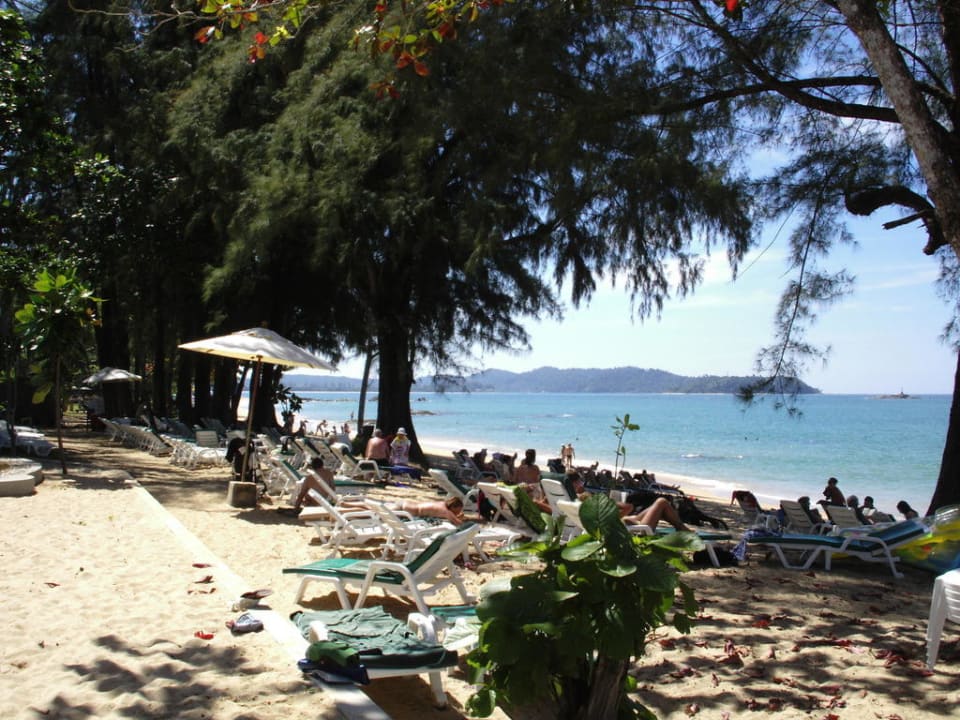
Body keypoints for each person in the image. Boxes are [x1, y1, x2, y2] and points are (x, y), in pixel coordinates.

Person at [568, 472, 689, 531]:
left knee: (660, 507)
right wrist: (609, 501)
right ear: (575, 483)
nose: (582, 483)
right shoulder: (588, 498)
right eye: (580, 481)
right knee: (661, 502)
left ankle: (680, 527)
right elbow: (628, 507)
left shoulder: (571, 500)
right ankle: (682, 528)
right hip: (633, 529)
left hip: (625, 522)